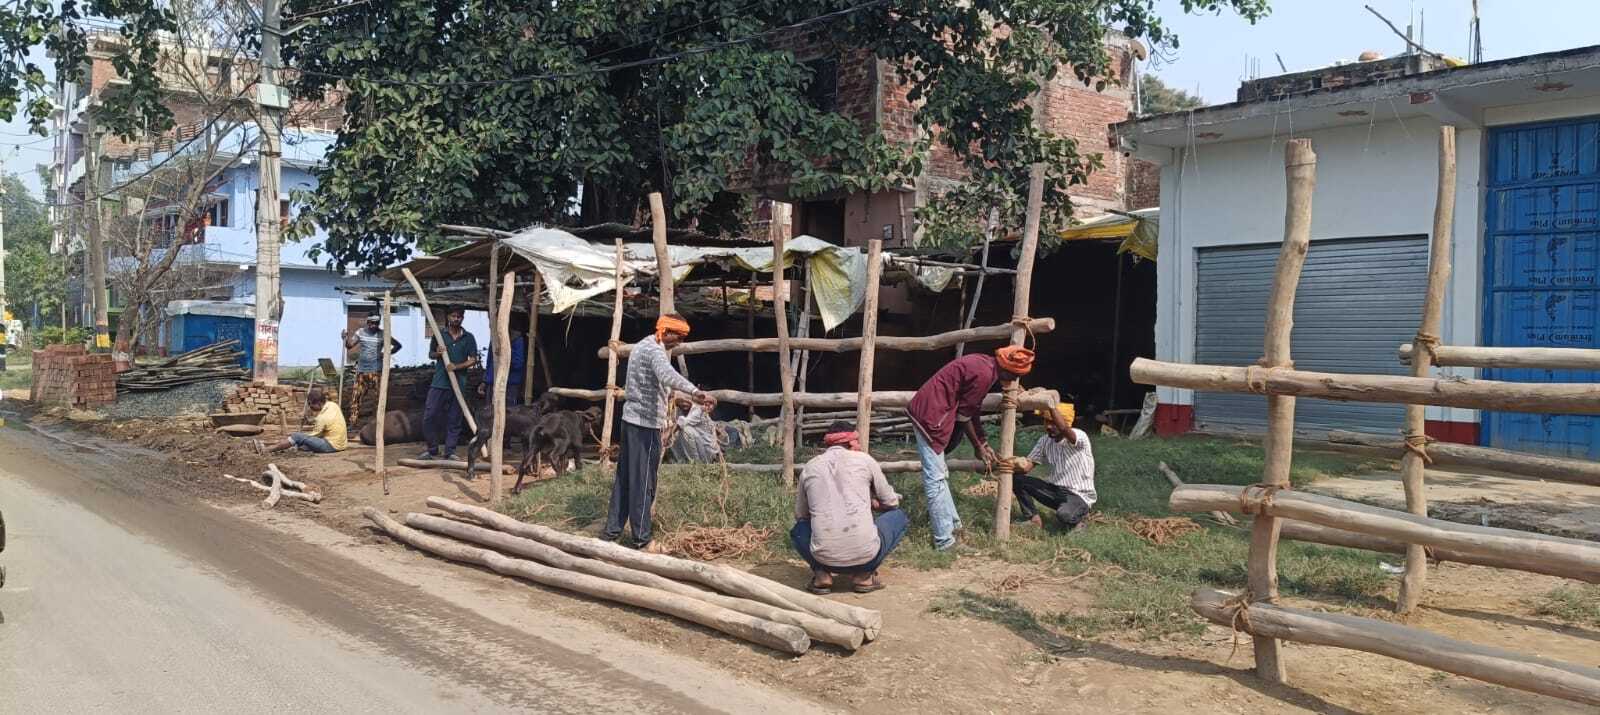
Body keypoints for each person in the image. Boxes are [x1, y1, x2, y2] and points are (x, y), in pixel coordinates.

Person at [601, 314, 716, 552]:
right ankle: (641, 539)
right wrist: (695, 392)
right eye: (678, 336)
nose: (680, 342)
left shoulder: (644, 346)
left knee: (625, 478)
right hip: (645, 425)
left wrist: (683, 397)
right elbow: (667, 375)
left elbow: (659, 383)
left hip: (631, 421)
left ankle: (611, 531)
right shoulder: (654, 351)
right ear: (666, 331)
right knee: (644, 481)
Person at [905, 345, 1035, 550]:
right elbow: (964, 416)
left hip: (933, 411)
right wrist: (978, 446)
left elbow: (972, 408)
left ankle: (955, 528)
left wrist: (982, 442)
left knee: (940, 475)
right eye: (1015, 376)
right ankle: (944, 541)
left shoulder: (986, 366)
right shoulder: (984, 374)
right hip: (931, 415)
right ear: (1008, 370)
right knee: (935, 479)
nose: (1014, 380)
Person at [791, 423, 907, 594]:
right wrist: (874, 504)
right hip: (866, 557)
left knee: (799, 530)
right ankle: (864, 576)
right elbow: (891, 502)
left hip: (823, 558)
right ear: (852, 443)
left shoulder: (810, 467)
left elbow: (801, 515)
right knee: (898, 516)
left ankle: (822, 575)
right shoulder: (865, 460)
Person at [1012, 403, 1096, 530]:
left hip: (1079, 496)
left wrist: (1050, 405)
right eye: (1046, 421)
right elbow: (1027, 467)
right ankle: (1033, 519)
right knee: (1017, 479)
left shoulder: (1079, 436)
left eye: (1053, 422)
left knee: (1064, 515)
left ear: (1065, 422)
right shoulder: (1045, 441)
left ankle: (1079, 520)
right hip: (1055, 491)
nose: (1049, 426)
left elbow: (1064, 428)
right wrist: (1010, 464)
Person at [420, 308, 479, 461]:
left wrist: (456, 367)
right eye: (453, 316)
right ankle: (432, 449)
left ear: (462, 318)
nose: (456, 319)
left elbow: (473, 359)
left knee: (454, 418)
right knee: (430, 416)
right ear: (448, 317)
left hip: (459, 384)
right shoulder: (440, 335)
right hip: (439, 383)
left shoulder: (468, 337)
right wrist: (438, 353)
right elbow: (431, 354)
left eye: (459, 316)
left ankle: (450, 451)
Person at [344, 314, 402, 428]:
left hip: (376, 372)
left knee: (377, 399)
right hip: (361, 371)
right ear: (368, 322)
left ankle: (376, 424)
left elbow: (398, 346)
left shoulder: (383, 334)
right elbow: (350, 346)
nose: (374, 325)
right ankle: (353, 423)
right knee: (356, 397)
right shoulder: (360, 332)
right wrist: (345, 338)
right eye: (372, 323)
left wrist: (386, 353)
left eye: (376, 323)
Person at [256, 388, 348, 454]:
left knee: (297, 436)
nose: (310, 407)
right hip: (341, 444)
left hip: (331, 446)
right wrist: (308, 421)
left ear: (319, 403)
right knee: (300, 441)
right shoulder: (333, 405)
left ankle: (267, 450)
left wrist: (297, 437)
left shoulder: (322, 418)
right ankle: (285, 446)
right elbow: (326, 424)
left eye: (311, 404)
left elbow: (314, 435)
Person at [477, 319, 528, 406]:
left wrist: (505, 353)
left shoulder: (517, 339)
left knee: (508, 410)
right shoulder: (494, 338)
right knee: (490, 409)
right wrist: (485, 381)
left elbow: (518, 363)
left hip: (510, 383)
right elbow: (490, 361)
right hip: (492, 381)